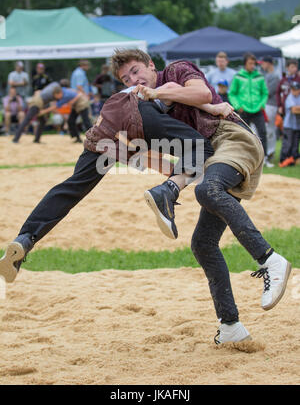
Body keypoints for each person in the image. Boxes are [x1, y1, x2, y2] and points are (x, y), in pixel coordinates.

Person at [0, 50, 291, 346]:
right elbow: (158, 156)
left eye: (137, 72)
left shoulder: (175, 71)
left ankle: (269, 260)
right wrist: (160, 172)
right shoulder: (152, 105)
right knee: (202, 239)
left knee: (205, 188)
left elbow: (201, 92)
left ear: (152, 65)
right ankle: (230, 325)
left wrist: (157, 96)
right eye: (126, 78)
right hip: (198, 150)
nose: (134, 80)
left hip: (230, 139)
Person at [229, 52, 269, 162]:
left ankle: (264, 158)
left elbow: (264, 92)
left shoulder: (259, 76)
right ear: (245, 64)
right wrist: (238, 106)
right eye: (250, 63)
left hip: (257, 110)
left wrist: (262, 104)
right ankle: (243, 157)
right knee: (243, 134)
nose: (252, 66)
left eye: (254, 63)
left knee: (262, 132)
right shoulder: (238, 76)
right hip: (244, 110)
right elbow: (232, 93)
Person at [260, 56, 281, 167]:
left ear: (268, 63)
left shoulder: (275, 75)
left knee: (269, 130)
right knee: (264, 130)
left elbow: (268, 91)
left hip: (270, 105)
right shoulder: (265, 74)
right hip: (264, 105)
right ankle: (265, 153)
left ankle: (269, 153)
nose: (262, 65)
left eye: (263, 63)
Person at [56, 79, 93, 143]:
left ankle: (94, 138)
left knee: (86, 121)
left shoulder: (67, 91)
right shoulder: (68, 91)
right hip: (76, 106)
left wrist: (72, 102)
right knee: (71, 121)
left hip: (82, 104)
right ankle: (77, 137)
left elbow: (79, 94)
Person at [279, 81, 300, 167]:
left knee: (295, 144)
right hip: (289, 125)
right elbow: (293, 110)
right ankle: (283, 160)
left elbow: (296, 109)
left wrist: (297, 108)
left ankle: (292, 160)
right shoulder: (289, 97)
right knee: (287, 143)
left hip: (297, 126)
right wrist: (296, 108)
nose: (294, 91)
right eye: (293, 89)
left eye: (296, 89)